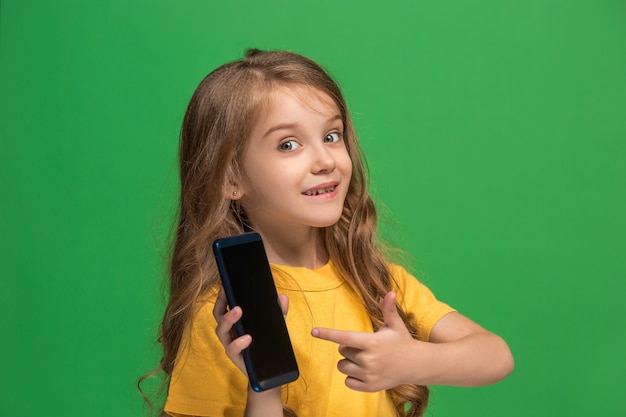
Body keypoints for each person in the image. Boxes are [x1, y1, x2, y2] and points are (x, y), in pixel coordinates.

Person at [149, 49, 514, 417]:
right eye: (288, 144)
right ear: (231, 178)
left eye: (331, 135)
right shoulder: (225, 316)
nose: (325, 161)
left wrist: (414, 360)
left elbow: (496, 355)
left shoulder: (373, 279)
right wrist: (265, 389)